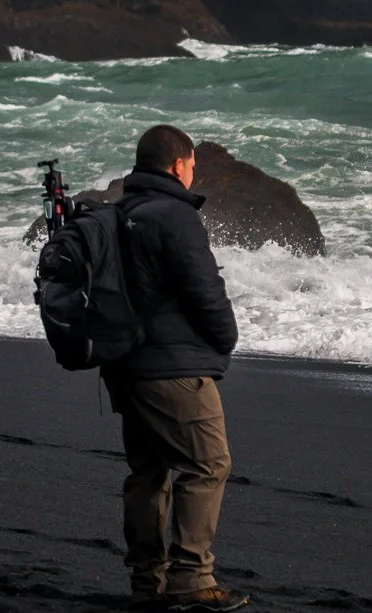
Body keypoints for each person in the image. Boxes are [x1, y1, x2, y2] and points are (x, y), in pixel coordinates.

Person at [107, 123, 247, 611]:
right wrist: (226, 338)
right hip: (173, 368)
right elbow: (204, 289)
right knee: (208, 464)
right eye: (192, 165)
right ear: (179, 164)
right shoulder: (175, 215)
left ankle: (149, 583)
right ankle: (192, 576)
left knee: (148, 471)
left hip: (125, 365)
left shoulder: (121, 213)